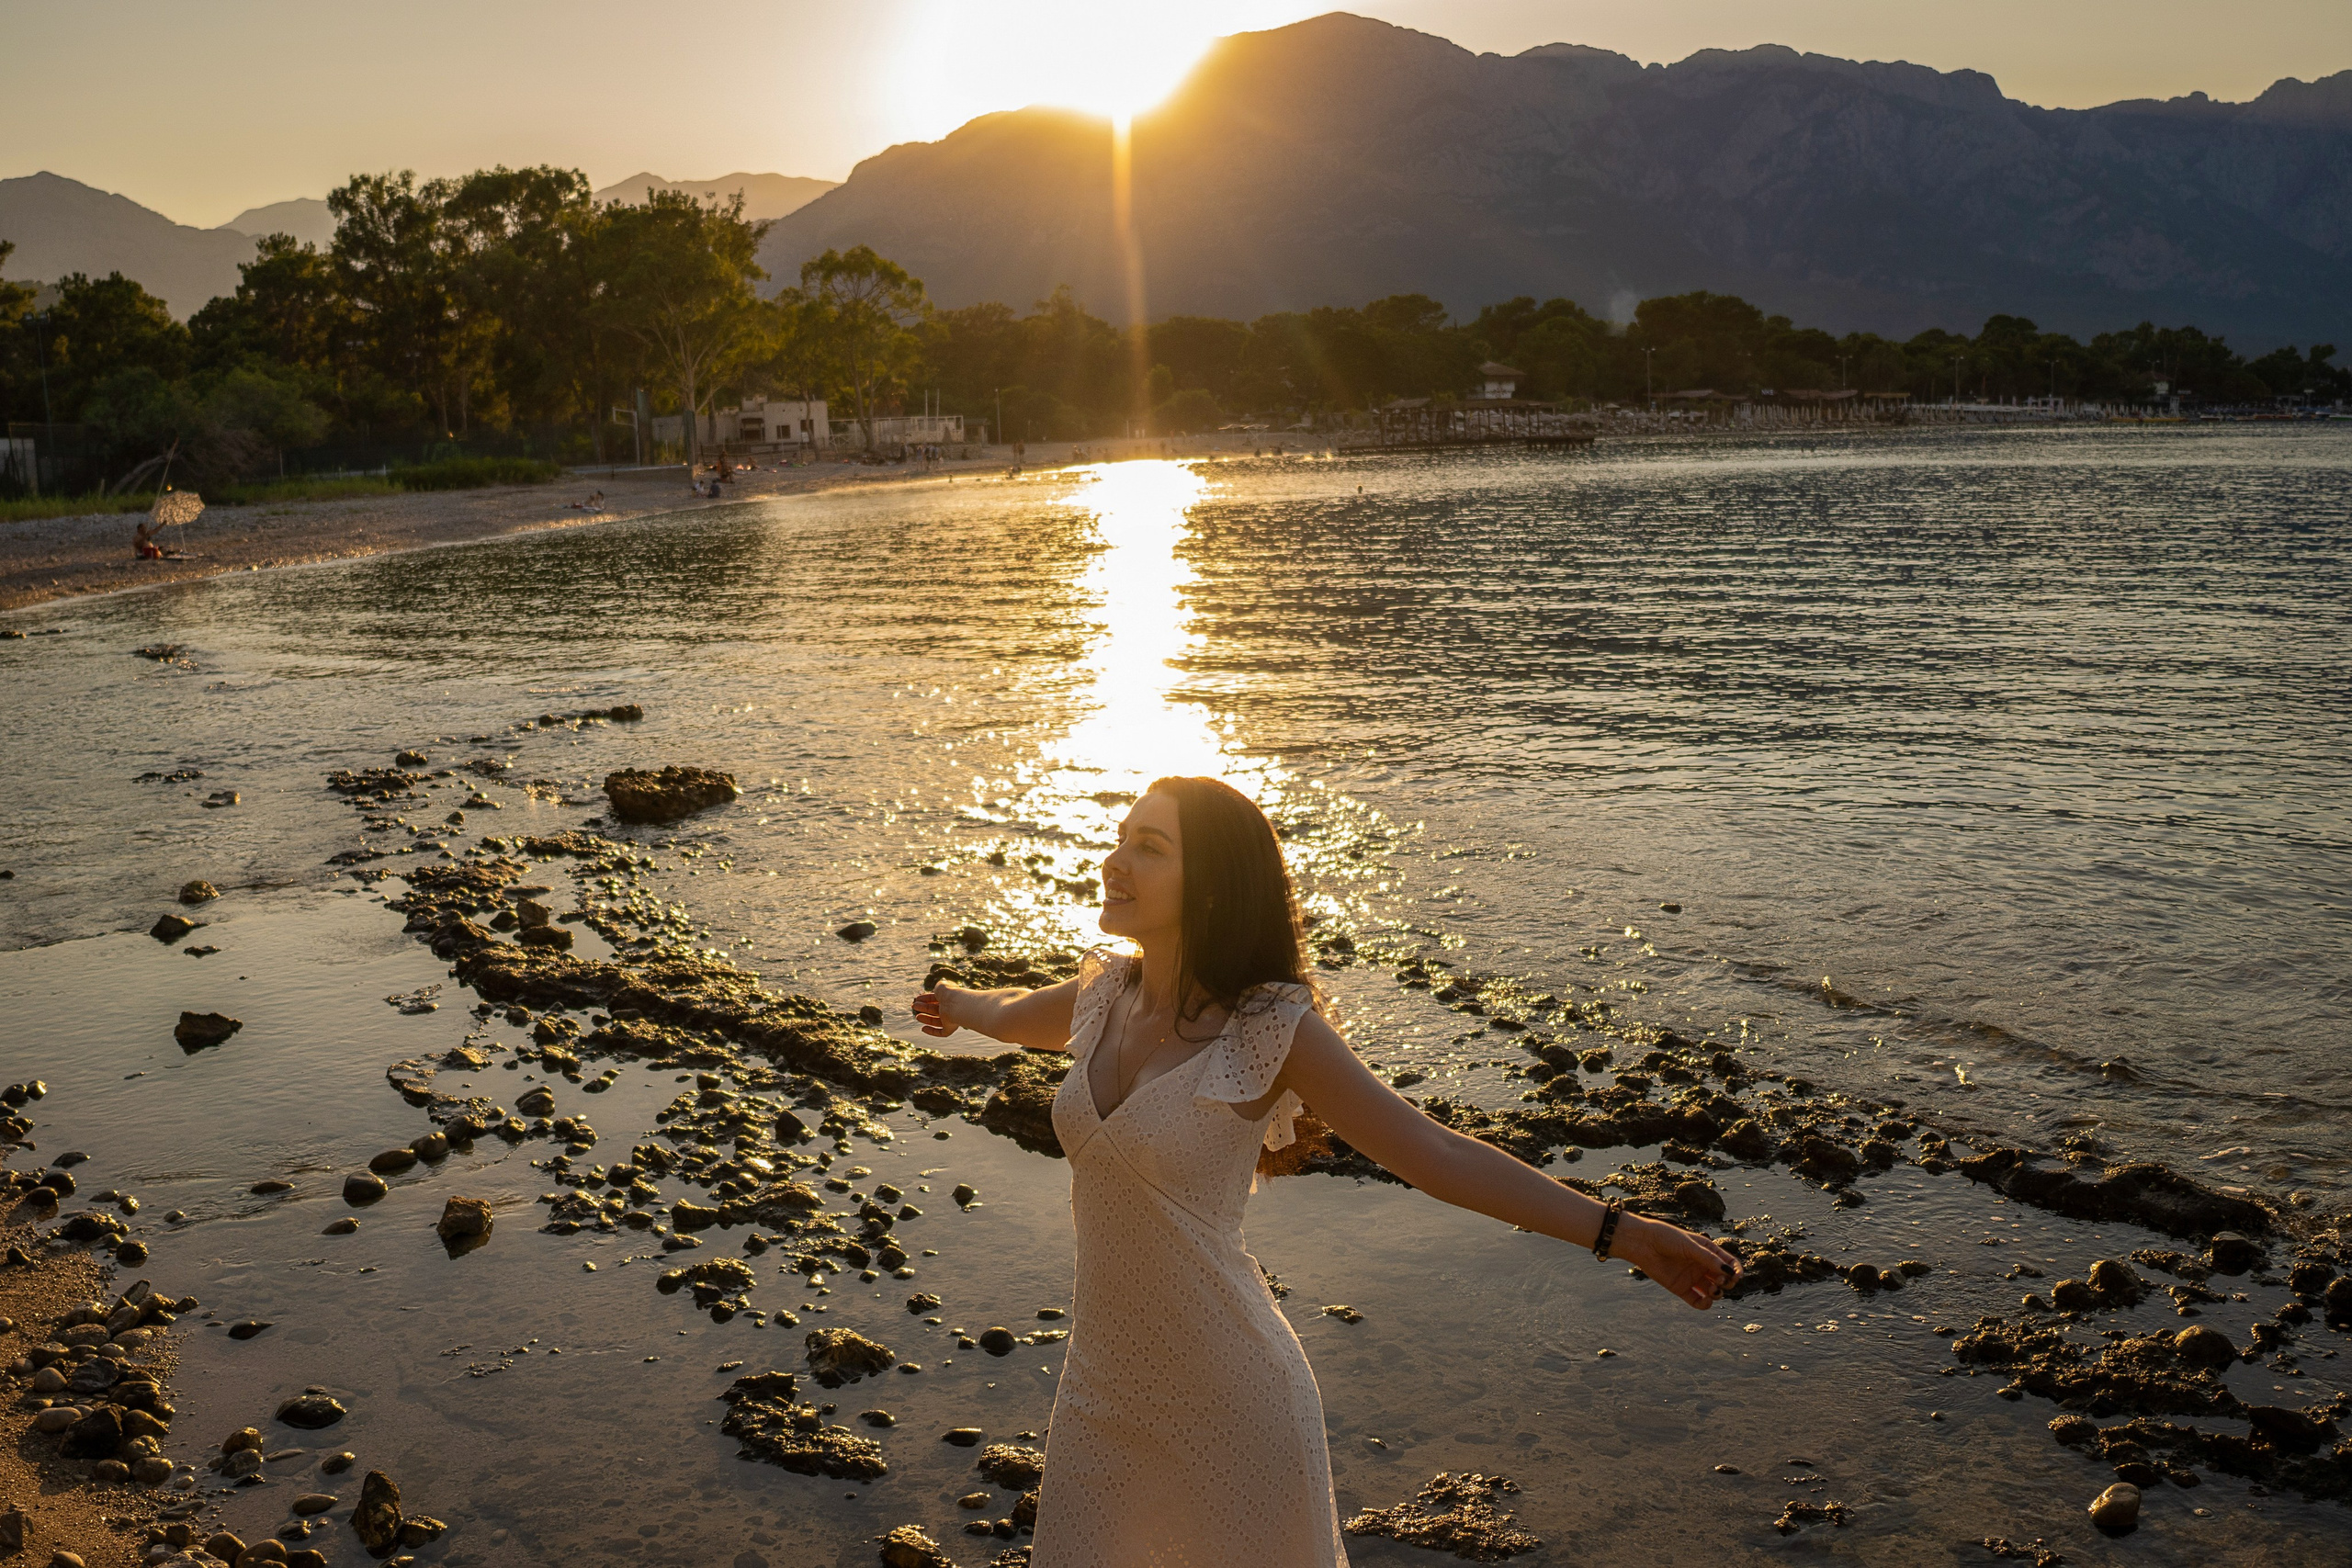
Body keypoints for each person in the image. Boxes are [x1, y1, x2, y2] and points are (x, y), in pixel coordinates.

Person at [912, 776, 1741, 1567]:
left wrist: (1620, 1232)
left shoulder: (1270, 1027)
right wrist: (953, 1001)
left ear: (1210, 886)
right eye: (1121, 838)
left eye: (1150, 846)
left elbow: (1437, 1153)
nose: (1115, 861)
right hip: (1100, 1396)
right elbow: (1008, 1013)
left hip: (1234, 1402)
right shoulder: (1104, 996)